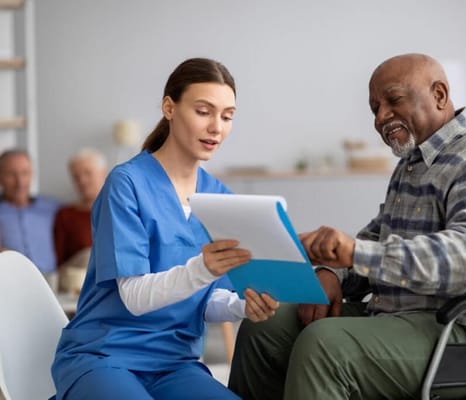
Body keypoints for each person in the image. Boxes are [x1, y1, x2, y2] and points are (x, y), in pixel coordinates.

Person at [228, 53, 466, 400]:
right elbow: (377, 240)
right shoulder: (413, 163)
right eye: (374, 108)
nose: (381, 117)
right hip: (404, 316)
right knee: (267, 327)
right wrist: (334, 275)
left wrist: (354, 252)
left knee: (325, 347)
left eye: (393, 100)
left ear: (439, 95)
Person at [51, 57, 279, 400]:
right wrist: (203, 268)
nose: (217, 127)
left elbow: (205, 299)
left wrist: (242, 307)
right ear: (169, 108)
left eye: (227, 116)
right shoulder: (126, 184)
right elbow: (135, 297)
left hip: (174, 364)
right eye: (204, 111)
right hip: (105, 356)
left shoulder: (220, 198)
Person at [0, 149, 61, 288]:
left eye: (25, 173)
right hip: (10, 282)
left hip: (51, 280)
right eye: (11, 174)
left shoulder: (52, 207)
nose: (20, 182)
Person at [54, 148, 108, 294]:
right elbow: (59, 263)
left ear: (103, 173)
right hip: (78, 284)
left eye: (87, 173)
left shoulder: (121, 210)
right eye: (76, 177)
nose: (82, 181)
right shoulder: (65, 215)